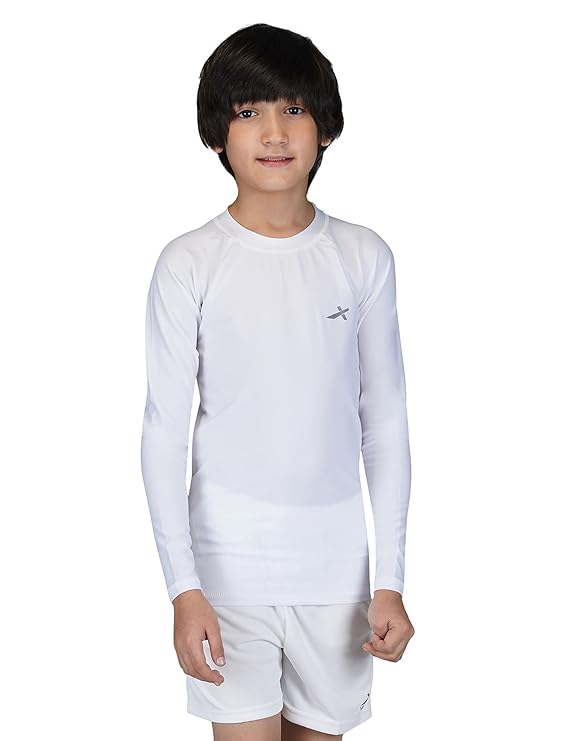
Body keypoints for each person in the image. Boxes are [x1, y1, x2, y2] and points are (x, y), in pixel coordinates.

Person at [140, 22, 415, 741]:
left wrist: (389, 580)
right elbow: (164, 432)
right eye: (248, 111)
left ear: (324, 127)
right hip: (226, 575)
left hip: (337, 579)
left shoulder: (362, 256)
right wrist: (183, 588)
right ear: (217, 134)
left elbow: (385, 424)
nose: (273, 132)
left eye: (293, 108)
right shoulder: (189, 262)